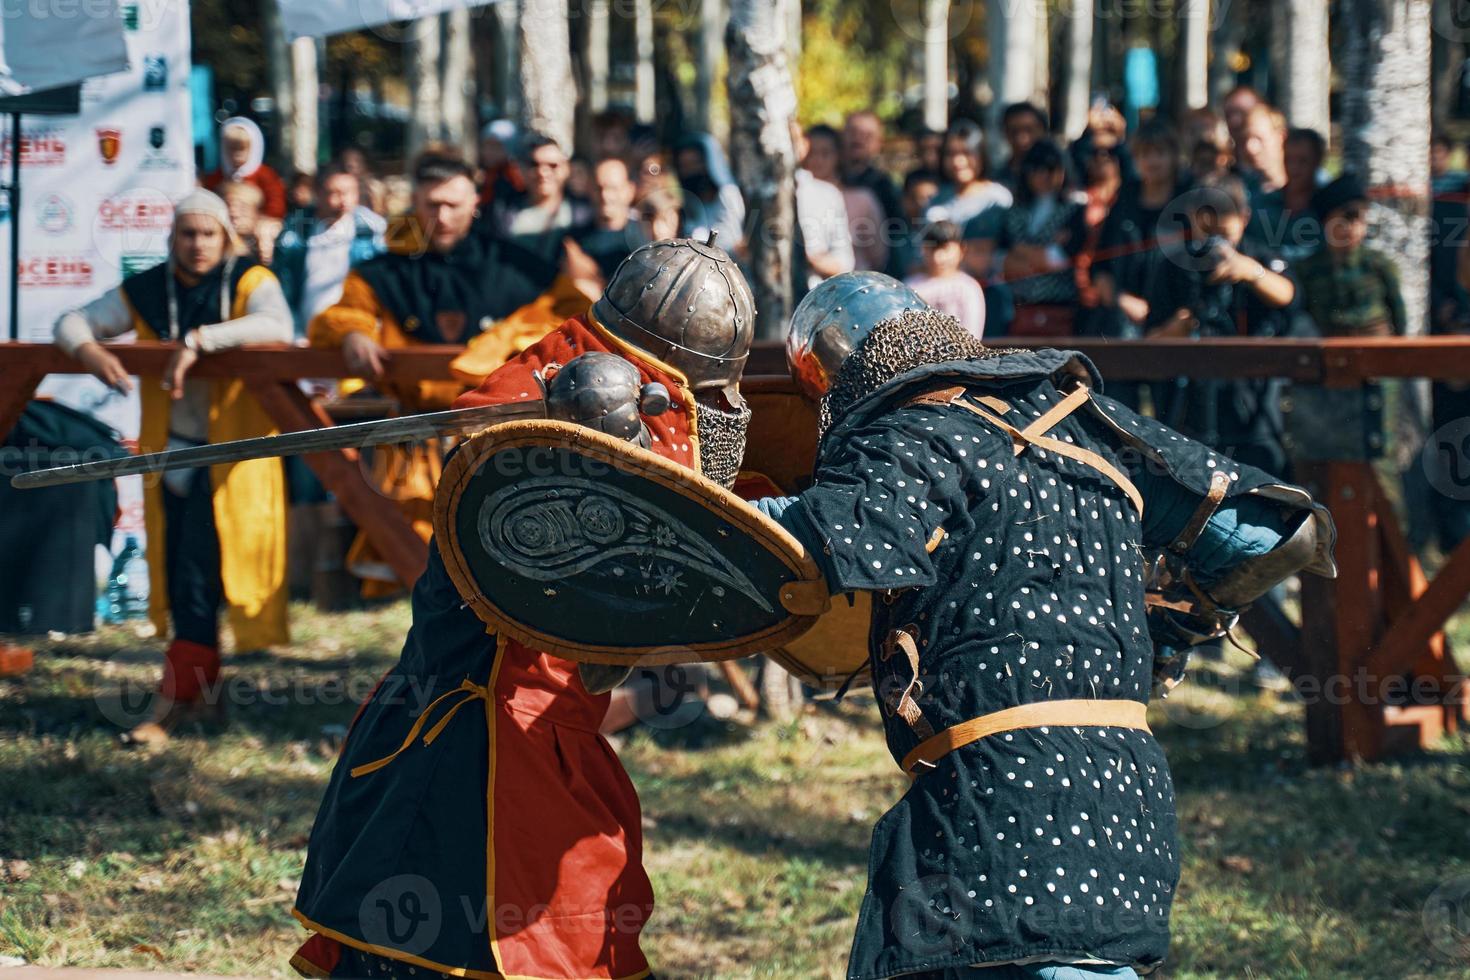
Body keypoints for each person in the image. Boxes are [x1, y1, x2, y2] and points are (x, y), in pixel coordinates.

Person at [777, 276, 1335, 980]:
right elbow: (1268, 538)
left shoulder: (904, 431)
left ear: (839, 379)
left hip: (990, 813)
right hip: (1128, 802)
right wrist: (1166, 627)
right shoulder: (1082, 416)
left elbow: (797, 548)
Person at [291, 239, 757, 980]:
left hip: (548, 720)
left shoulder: (594, 382)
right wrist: (602, 448)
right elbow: (578, 604)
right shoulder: (538, 398)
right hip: (480, 720)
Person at [52, 189, 294, 744]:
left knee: (202, 576)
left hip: (234, 460)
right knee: (188, 578)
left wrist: (199, 341)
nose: (198, 244)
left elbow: (276, 326)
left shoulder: (249, 280)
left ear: (225, 237)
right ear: (172, 238)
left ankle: (181, 700)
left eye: (208, 233)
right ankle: (192, 698)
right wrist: (90, 352)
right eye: (188, 233)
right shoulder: (149, 288)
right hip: (176, 454)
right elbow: (72, 322)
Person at [309, 148, 559, 594]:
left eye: (453, 205)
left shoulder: (516, 266)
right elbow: (342, 313)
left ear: (475, 203)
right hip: (416, 440)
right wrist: (353, 333)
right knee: (423, 575)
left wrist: (500, 346)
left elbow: (565, 317)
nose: (442, 216)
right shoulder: (385, 270)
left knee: (500, 568)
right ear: (416, 204)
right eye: (432, 205)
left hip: (497, 438)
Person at [1148, 174, 1300, 478]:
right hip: (1190, 406)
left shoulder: (1258, 256)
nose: (1214, 238)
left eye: (1223, 226)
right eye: (1206, 225)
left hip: (1252, 409)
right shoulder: (1175, 265)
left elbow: (1289, 295)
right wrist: (1181, 325)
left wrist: (1250, 273)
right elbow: (1150, 339)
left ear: (1244, 218)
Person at [272, 163, 389, 337]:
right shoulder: (294, 236)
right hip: (303, 337)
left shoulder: (371, 234)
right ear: (318, 193)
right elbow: (284, 289)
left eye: (349, 192)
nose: (343, 200)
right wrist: (294, 333)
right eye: (334, 193)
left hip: (356, 335)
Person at [1294, 174, 1407, 338]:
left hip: (1375, 348)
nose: (1355, 226)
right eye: (1349, 216)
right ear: (1327, 220)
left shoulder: (1378, 263)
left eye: (1362, 218)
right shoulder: (1308, 268)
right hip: (1328, 349)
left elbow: (1399, 315)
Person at [997, 140, 1088, 336]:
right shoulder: (1014, 212)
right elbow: (1001, 260)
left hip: (1060, 309)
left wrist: (1020, 250)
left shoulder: (1075, 209)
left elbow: (1060, 259)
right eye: (1037, 170)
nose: (1044, 176)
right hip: (1018, 309)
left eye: (1051, 169)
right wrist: (1042, 255)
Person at [927, 119, 1014, 301]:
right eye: (951, 154)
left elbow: (1004, 252)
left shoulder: (998, 198)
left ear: (981, 155)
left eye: (967, 153)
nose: (959, 161)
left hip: (990, 293)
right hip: (945, 296)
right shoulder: (936, 201)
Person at [494, 132, 590, 263]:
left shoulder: (585, 214)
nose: (543, 172)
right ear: (521, 169)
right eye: (534, 164)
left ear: (566, 168)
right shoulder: (501, 213)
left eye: (552, 165)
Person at [792, 123, 857, 293]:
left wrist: (810, 260)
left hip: (814, 297)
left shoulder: (828, 195)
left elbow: (845, 260)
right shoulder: (749, 190)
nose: (817, 160)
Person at [806, 124, 878, 273]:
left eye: (825, 153)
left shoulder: (862, 199)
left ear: (839, 155)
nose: (817, 160)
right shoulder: (793, 198)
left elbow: (877, 255)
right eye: (811, 153)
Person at [904, 219, 986, 338]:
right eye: (931, 249)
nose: (938, 257)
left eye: (945, 248)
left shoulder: (968, 287)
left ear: (961, 249)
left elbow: (973, 335)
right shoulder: (910, 285)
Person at [1254, 128, 1326, 261]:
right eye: (1288, 160)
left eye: (1303, 161)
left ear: (1318, 161)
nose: (1294, 168)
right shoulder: (1262, 205)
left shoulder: (1329, 208)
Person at [573, 156, 646, 281]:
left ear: (630, 190)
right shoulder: (574, 241)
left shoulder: (646, 236)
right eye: (598, 188)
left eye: (613, 188)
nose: (605, 196)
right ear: (589, 189)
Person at [204, 116, 288, 222]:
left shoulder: (265, 175)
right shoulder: (218, 176)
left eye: (242, 149)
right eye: (231, 149)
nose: (236, 155)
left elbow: (276, 202)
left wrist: (266, 219)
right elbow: (207, 197)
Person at [674, 132, 746, 250]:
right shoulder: (688, 202)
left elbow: (730, 241)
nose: (691, 171)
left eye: (695, 163)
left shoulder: (726, 194)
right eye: (685, 166)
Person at [841, 110, 905, 238]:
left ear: (878, 143)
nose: (858, 139)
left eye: (867, 135)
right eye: (853, 132)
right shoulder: (825, 177)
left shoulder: (885, 187)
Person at [995, 102, 1049, 192]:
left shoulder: (1058, 173)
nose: (1022, 138)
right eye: (1014, 131)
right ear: (1004, 133)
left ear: (1042, 131)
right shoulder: (997, 179)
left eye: (1029, 130)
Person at [219, 181, 271, 265]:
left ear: (257, 213)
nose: (234, 213)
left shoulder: (270, 242)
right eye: (227, 206)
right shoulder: (215, 244)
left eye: (243, 207)